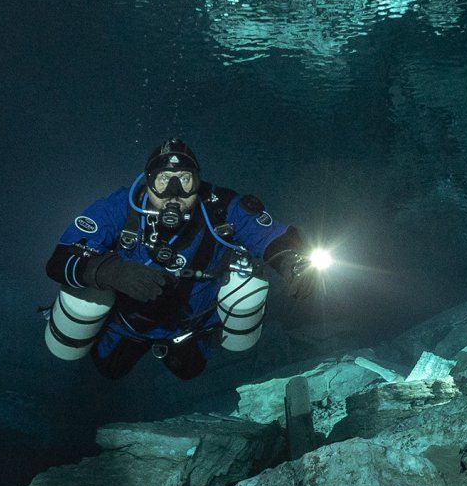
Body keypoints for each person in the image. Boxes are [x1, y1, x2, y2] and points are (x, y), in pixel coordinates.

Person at [43, 138, 316, 380]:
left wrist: (292, 263)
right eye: (163, 180)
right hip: (128, 324)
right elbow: (60, 259)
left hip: (189, 326)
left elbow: (270, 235)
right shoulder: (120, 208)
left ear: (198, 183)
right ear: (147, 182)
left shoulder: (220, 207)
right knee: (109, 370)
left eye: (185, 180)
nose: (173, 192)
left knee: (190, 372)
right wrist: (112, 272)